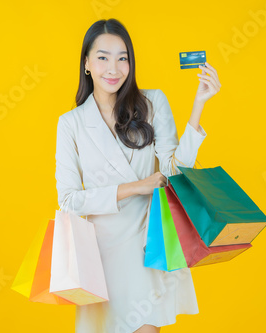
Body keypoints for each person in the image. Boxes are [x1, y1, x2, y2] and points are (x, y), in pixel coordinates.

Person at [55, 18, 221, 333]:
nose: (113, 68)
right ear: (87, 63)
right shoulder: (71, 123)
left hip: (148, 244)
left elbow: (174, 171)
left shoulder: (152, 102)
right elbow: (68, 201)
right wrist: (135, 187)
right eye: (103, 57)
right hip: (102, 255)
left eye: (123, 57)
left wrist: (198, 105)